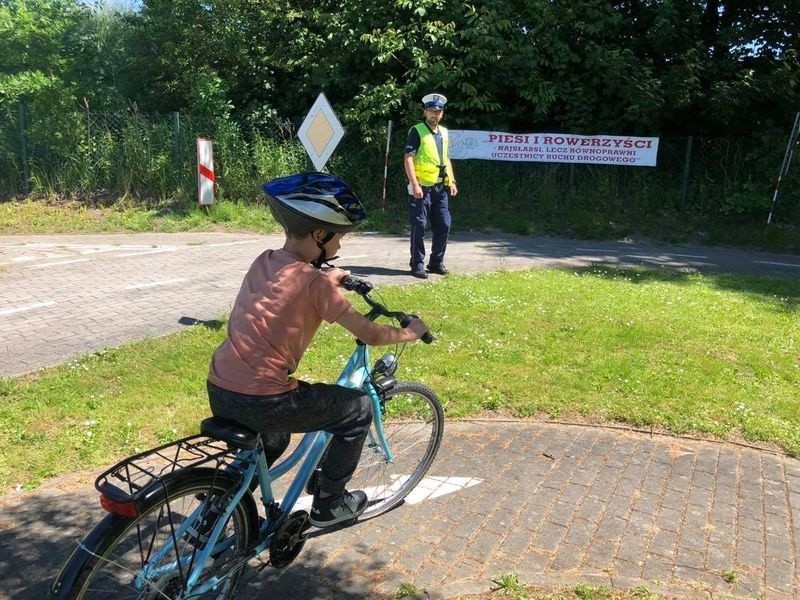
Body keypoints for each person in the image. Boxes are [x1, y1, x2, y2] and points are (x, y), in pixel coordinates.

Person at [206, 172, 430, 528]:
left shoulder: (264, 260)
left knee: (273, 439)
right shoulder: (315, 285)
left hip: (221, 387)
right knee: (355, 411)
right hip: (265, 400)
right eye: (338, 237)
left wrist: (332, 277)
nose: (339, 246)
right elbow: (369, 333)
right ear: (319, 234)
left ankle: (221, 500)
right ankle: (330, 503)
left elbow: (292, 282)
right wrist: (410, 333)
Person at [403, 92, 458, 279]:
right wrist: (414, 184)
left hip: (440, 187)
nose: (435, 114)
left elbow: (445, 158)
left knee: (444, 223)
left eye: (438, 111)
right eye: (431, 111)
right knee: (419, 225)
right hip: (421, 187)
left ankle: (436, 262)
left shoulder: (444, 132)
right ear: (424, 112)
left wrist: (452, 180)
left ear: (442, 113)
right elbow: (408, 158)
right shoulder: (416, 131)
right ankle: (417, 264)